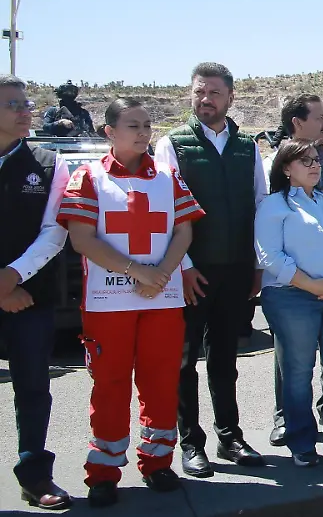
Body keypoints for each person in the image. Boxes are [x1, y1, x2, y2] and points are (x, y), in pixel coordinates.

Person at [58, 98, 203, 508]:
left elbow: (184, 233)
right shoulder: (89, 177)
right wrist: (138, 272)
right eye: (132, 125)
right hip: (108, 303)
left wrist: (160, 274)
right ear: (109, 131)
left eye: (147, 125)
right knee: (111, 384)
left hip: (163, 299)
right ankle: (103, 472)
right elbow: (81, 239)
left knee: (160, 382)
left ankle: (157, 463)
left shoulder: (169, 177)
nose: (143, 133)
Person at [154, 62, 267, 477]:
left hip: (236, 270)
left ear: (230, 97)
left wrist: (257, 264)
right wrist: (182, 266)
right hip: (192, 272)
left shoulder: (247, 147)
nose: (206, 99)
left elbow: (259, 206)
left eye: (214, 93)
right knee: (185, 361)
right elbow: (166, 213)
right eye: (200, 92)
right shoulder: (174, 144)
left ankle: (230, 436)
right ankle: (191, 442)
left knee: (225, 358)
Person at [256, 139, 323, 466]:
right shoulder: (274, 206)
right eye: (305, 161)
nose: (314, 166)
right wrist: (310, 284)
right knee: (298, 371)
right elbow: (269, 254)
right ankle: (302, 440)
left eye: (316, 160)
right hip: (291, 297)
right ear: (286, 169)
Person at [0, 76, 72, 510]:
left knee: (32, 388)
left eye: (26, 102)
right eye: (13, 105)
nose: (26, 110)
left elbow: (53, 234)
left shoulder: (49, 163)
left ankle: (34, 475)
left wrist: (12, 275)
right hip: (9, 292)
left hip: (30, 297)